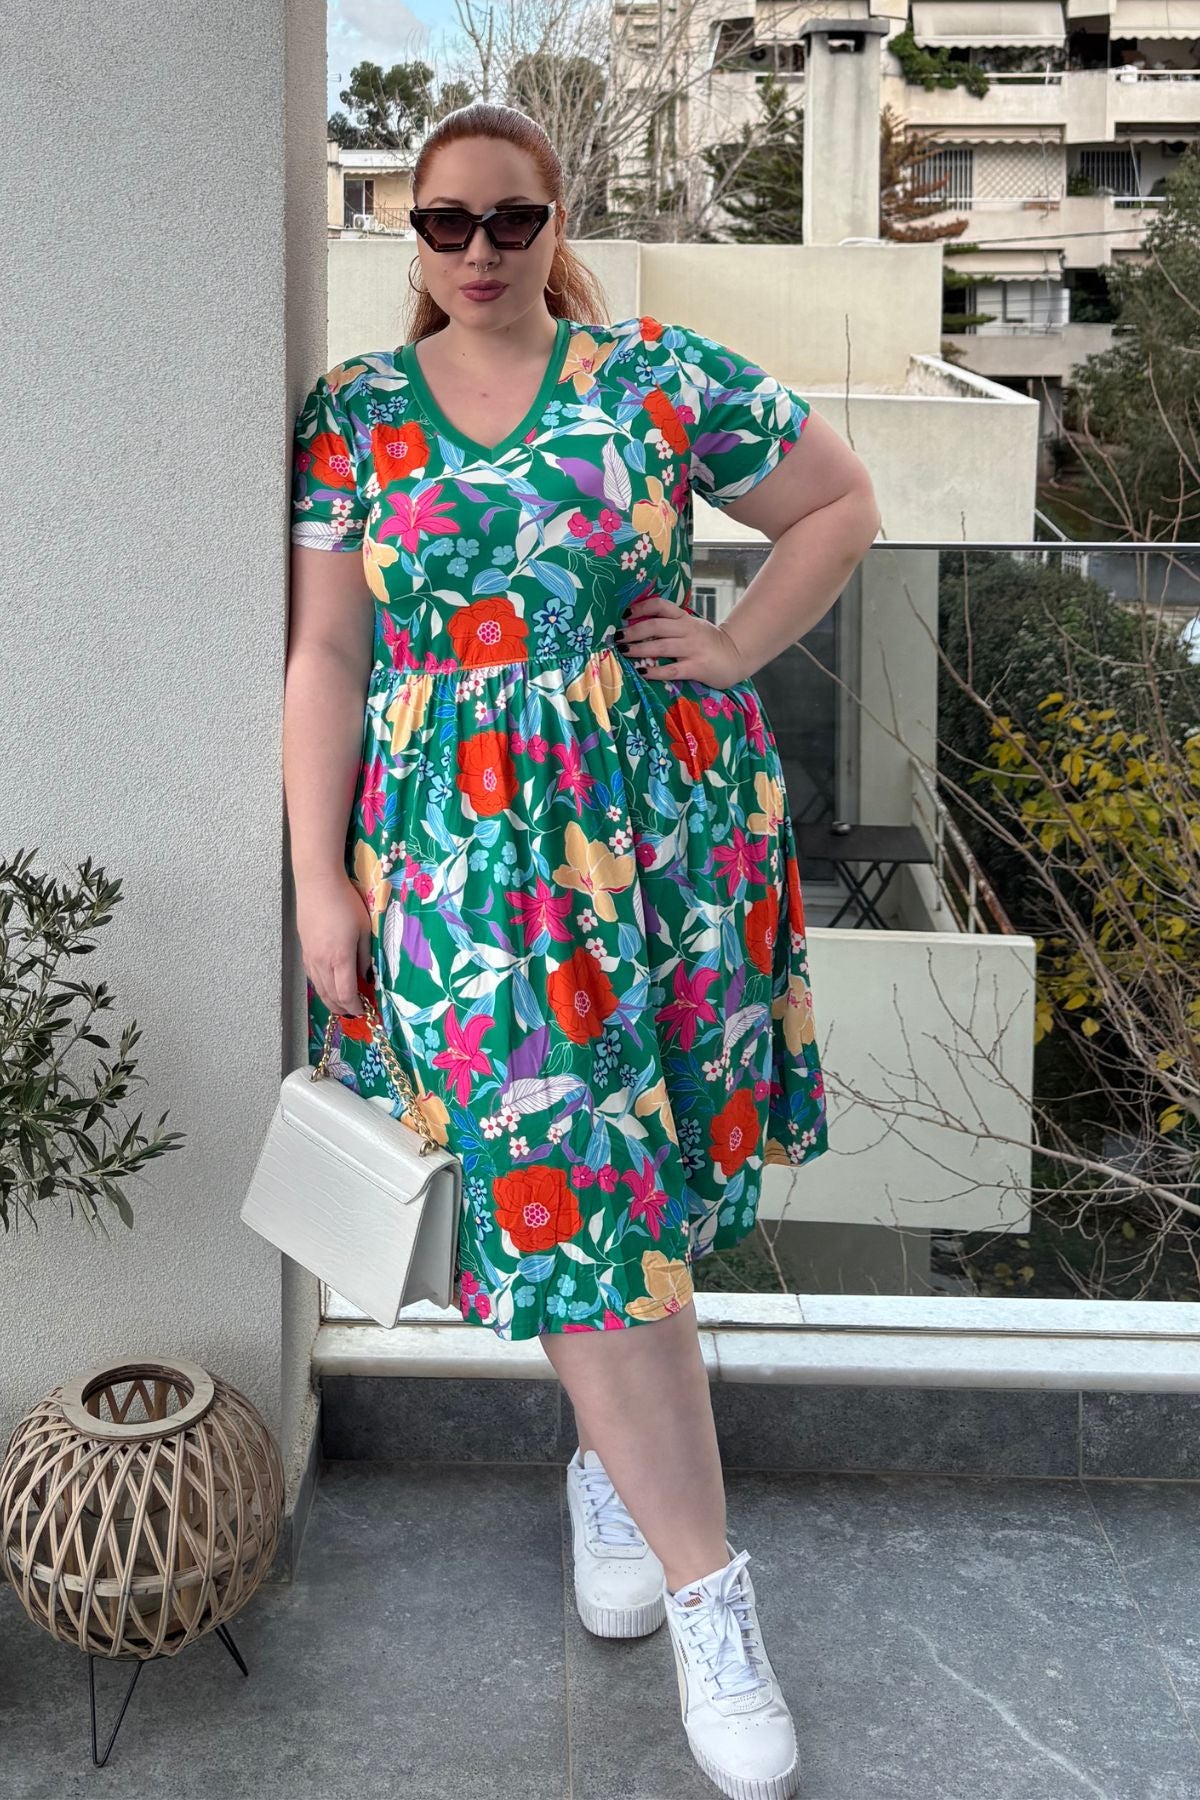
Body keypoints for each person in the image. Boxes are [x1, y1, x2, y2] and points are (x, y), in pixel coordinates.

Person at [285, 101, 879, 1800]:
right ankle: (712, 1595)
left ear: (559, 225)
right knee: (572, 1179)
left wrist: (736, 643)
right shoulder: (356, 415)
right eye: (446, 223)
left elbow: (839, 502)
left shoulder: (654, 378)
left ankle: (616, 1473)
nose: (479, 252)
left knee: (640, 1185)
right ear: (409, 234)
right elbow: (329, 657)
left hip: (663, 840)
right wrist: (319, 881)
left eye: (512, 221)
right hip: (464, 867)